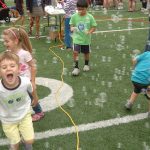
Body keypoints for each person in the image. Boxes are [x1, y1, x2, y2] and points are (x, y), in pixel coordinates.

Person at [2, 27, 45, 122]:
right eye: (4, 41)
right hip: (15, 81)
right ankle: (16, 113)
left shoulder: (24, 53)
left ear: (16, 41)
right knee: (15, 96)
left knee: (32, 96)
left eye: (7, 41)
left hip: (26, 80)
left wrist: (32, 81)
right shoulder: (8, 53)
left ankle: (39, 112)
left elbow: (33, 67)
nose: (4, 43)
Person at [0, 51, 34, 150]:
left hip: (24, 114)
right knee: (15, 144)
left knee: (29, 141)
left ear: (19, 68)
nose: (8, 69)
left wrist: (35, 99)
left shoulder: (25, 82)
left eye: (12, 66)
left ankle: (25, 140)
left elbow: (31, 91)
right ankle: (14, 143)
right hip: (8, 119)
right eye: (4, 67)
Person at [70, 0, 97, 76]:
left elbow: (94, 27)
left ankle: (86, 65)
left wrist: (89, 32)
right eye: (79, 9)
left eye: (82, 9)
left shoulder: (90, 17)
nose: (80, 11)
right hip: (76, 39)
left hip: (86, 39)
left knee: (86, 53)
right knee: (75, 53)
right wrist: (72, 28)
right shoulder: (74, 16)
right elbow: (71, 25)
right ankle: (76, 67)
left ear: (86, 8)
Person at [125, 51, 150, 118]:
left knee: (136, 90)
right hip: (144, 82)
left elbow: (134, 60)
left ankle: (129, 103)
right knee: (149, 94)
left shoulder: (146, 53)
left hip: (134, 78)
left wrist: (134, 69)